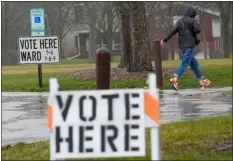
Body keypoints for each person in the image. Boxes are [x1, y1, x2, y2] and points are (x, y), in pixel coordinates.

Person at [160, 7, 211, 91]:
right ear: (193, 15)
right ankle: (175, 79)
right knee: (185, 62)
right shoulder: (193, 21)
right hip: (190, 45)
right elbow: (198, 30)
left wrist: (164, 40)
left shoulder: (179, 21)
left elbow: (172, 31)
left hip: (182, 46)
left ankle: (202, 82)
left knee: (194, 64)